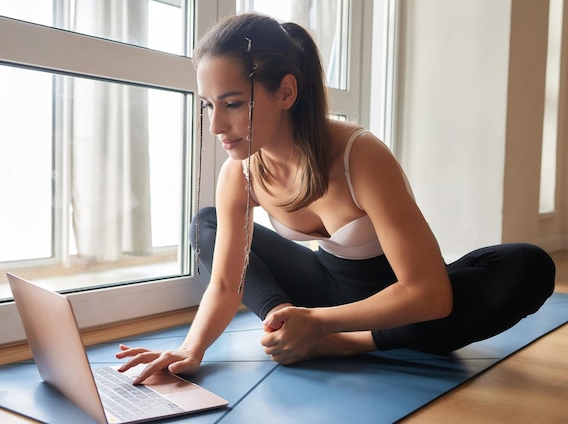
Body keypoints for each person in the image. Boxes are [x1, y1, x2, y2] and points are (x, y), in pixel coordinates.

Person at [116, 13, 556, 383]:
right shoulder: (241, 174)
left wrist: (325, 327)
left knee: (528, 265)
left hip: (401, 305)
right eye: (208, 105)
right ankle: (287, 326)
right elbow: (227, 283)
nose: (215, 126)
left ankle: (338, 343)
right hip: (325, 288)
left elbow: (430, 295)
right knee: (206, 222)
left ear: (286, 91)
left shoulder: (360, 156)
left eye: (232, 104)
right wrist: (190, 350)